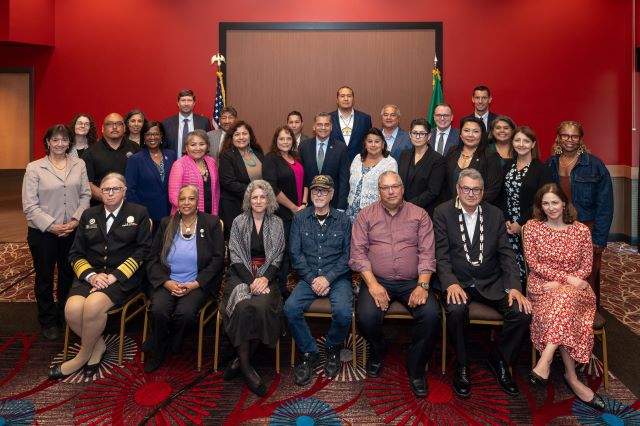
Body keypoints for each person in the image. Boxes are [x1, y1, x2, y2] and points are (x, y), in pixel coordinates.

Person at [433, 168, 531, 399]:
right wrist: (450, 283)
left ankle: (499, 359)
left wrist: (515, 287)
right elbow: (441, 254)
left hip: (491, 282)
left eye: (476, 189)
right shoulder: (442, 212)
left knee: (522, 313)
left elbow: (507, 254)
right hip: (458, 282)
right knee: (456, 311)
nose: (471, 193)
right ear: (457, 189)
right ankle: (462, 365)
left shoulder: (495, 214)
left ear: (483, 191)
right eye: (466, 188)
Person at [49, 173, 151, 379]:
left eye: (115, 189)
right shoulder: (89, 215)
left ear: (124, 191)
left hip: (121, 278)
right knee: (72, 309)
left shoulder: (138, 213)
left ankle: (81, 356)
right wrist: (91, 276)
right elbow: (75, 253)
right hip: (90, 275)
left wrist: (114, 276)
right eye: (106, 189)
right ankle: (97, 347)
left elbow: (143, 251)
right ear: (100, 193)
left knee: (93, 305)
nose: (110, 193)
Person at [349, 171, 440, 398]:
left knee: (431, 315)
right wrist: (372, 285)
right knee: (366, 317)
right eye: (385, 188)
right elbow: (358, 254)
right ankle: (379, 350)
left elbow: (427, 253)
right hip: (377, 280)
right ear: (379, 191)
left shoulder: (420, 215)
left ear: (402, 188)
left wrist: (423, 286)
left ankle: (416, 368)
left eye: (394, 187)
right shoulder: (365, 215)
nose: (390, 191)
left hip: (413, 282)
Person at [524, 183, 604, 411]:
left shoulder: (580, 231)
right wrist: (564, 280)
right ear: (540, 206)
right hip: (542, 287)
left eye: (555, 202)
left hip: (576, 290)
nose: (550, 208)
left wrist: (565, 282)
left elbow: (586, 267)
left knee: (564, 299)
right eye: (545, 203)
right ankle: (572, 378)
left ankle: (545, 359)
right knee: (562, 303)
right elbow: (534, 264)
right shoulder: (532, 228)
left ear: (564, 203)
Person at [144, 184, 225, 373]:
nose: (186, 203)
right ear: (177, 202)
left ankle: (165, 341)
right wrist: (166, 282)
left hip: (196, 283)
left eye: (191, 198)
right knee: (159, 309)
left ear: (198, 202)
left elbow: (218, 259)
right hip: (169, 280)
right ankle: (161, 348)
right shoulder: (166, 223)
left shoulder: (211, 223)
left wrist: (195, 284)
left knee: (185, 313)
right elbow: (152, 257)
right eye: (182, 199)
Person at [22, 124, 91, 340]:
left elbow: (85, 195)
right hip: (43, 233)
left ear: (69, 142)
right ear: (48, 142)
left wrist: (74, 221)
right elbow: (29, 205)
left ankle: (64, 314)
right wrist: (52, 226)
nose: (60, 144)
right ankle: (47, 320)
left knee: (67, 275)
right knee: (44, 276)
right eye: (55, 140)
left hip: (72, 230)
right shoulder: (34, 168)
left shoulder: (79, 164)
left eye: (64, 140)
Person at [284, 175, 352, 385]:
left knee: (343, 312)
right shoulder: (300, 218)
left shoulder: (343, 220)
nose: (319, 195)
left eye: (323, 191)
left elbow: (348, 256)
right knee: (290, 308)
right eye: (315, 191)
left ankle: (333, 347)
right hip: (309, 276)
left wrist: (328, 278)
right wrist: (314, 279)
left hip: (337, 277)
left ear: (331, 194)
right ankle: (309, 352)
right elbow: (295, 254)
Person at [221, 180, 285, 396]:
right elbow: (235, 255)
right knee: (242, 307)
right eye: (254, 197)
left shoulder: (277, 223)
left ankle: (240, 360)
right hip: (241, 276)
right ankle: (248, 368)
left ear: (269, 200)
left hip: (267, 277)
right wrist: (251, 280)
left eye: (263, 197)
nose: (258, 201)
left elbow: (277, 256)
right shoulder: (239, 221)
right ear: (249, 200)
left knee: (262, 307)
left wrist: (264, 279)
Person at [546, 121, 613, 308]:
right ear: (558, 138)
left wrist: (599, 239)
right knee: (561, 274)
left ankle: (587, 317)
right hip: (558, 229)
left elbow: (605, 205)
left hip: (586, 228)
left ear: (580, 139)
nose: (569, 140)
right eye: (565, 135)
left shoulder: (595, 165)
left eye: (574, 136)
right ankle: (563, 316)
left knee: (587, 276)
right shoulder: (551, 163)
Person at [499, 126, 552, 290]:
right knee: (509, 263)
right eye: (517, 140)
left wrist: (520, 223)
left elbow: (541, 201)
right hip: (507, 226)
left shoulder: (541, 169)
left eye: (526, 141)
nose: (521, 144)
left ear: (533, 144)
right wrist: (507, 220)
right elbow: (501, 195)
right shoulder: (507, 166)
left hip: (530, 225)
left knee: (529, 262)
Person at [263, 125, 308, 297]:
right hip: (281, 215)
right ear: (276, 140)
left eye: (289, 138)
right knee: (281, 254)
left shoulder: (296, 157)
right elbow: (272, 188)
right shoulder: (270, 159)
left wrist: (303, 204)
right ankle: (279, 291)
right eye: (282, 138)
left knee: (295, 251)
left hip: (299, 213)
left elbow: (306, 181)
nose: (285, 142)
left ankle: (296, 291)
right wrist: (294, 208)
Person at [125, 121, 177, 230]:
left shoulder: (171, 155)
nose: (152, 137)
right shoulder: (135, 159)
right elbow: (130, 190)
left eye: (156, 134)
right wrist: (140, 214)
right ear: (143, 137)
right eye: (148, 134)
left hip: (170, 214)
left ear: (161, 135)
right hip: (147, 217)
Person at [218, 120, 265, 240]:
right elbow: (229, 183)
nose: (241, 137)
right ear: (231, 138)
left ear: (250, 136)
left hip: (257, 206)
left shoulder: (258, 153)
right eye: (237, 134)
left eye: (244, 133)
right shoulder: (227, 156)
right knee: (239, 244)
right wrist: (254, 193)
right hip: (234, 208)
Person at [82, 113, 140, 203]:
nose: (114, 127)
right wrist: (109, 199)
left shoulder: (135, 148)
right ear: (102, 128)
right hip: (101, 207)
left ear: (124, 127)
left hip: (131, 205)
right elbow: (87, 184)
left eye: (118, 124)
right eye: (109, 124)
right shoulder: (90, 152)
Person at [444, 116, 503, 206]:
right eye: (466, 130)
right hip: (451, 208)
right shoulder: (452, 151)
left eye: (475, 131)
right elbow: (445, 184)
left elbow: (493, 190)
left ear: (482, 134)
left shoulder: (490, 156)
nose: (470, 135)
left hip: (478, 210)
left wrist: (469, 204)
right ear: (460, 134)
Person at [298, 113, 350, 210]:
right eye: (319, 124)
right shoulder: (304, 147)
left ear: (331, 127)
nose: (323, 127)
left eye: (326, 124)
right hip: (309, 204)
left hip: (333, 204)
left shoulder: (341, 148)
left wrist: (341, 207)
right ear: (314, 127)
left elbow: (344, 180)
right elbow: (302, 179)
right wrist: (303, 202)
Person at [346, 127, 397, 222]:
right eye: (370, 141)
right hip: (351, 212)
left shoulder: (390, 163)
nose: (373, 145)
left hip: (375, 215)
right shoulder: (357, 159)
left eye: (377, 141)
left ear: (383, 144)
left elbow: (391, 192)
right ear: (365, 144)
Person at [398, 119, 446, 217]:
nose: (418, 137)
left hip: (425, 211)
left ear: (429, 136)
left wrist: (409, 205)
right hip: (401, 209)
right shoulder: (404, 154)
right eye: (415, 133)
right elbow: (399, 182)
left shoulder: (437, 159)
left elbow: (433, 191)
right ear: (410, 135)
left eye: (422, 133)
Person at [168, 129, 220, 216]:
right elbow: (174, 196)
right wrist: (192, 213)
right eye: (193, 145)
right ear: (186, 147)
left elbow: (216, 191)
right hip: (186, 217)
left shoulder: (211, 162)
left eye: (202, 144)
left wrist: (215, 213)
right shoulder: (179, 165)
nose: (198, 148)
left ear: (207, 146)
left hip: (210, 215)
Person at [162, 89, 213, 158]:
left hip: (197, 164)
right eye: (183, 100)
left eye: (189, 100)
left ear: (194, 103)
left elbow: (207, 145)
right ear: (178, 103)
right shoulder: (166, 124)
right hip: (174, 164)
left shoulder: (204, 122)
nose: (186, 104)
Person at [330, 86, 373, 161]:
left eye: (349, 96)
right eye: (342, 96)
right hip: (335, 164)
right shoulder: (329, 119)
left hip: (359, 164)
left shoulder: (365, 119)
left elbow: (369, 142)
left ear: (353, 99)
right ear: (337, 100)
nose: (346, 99)